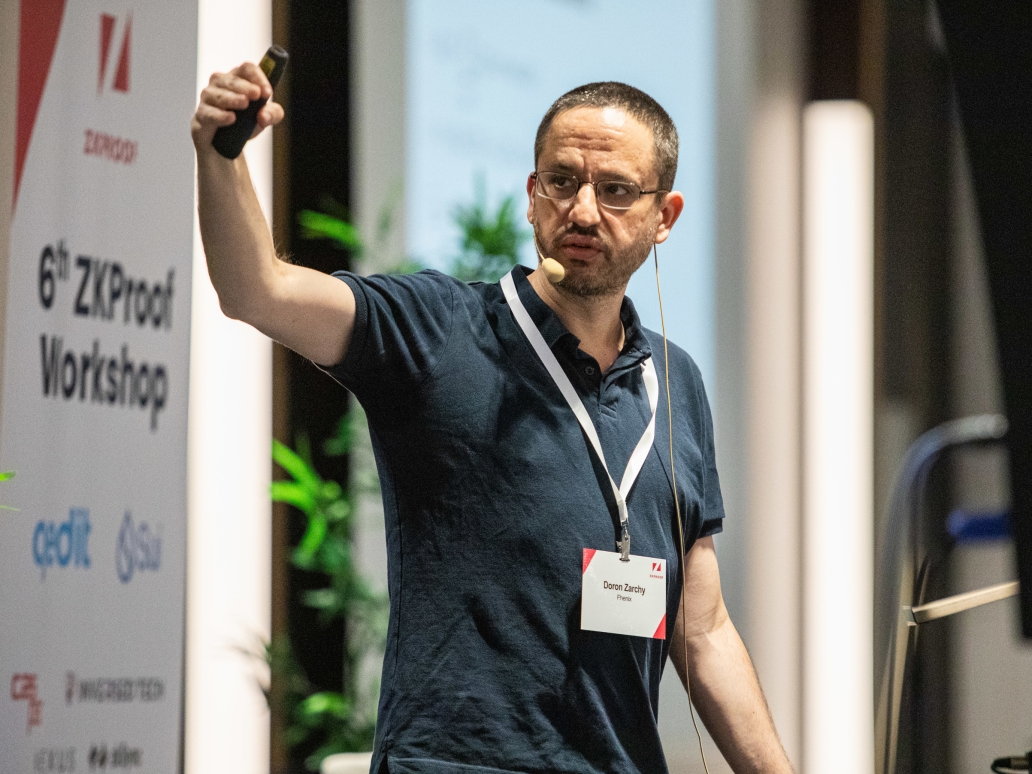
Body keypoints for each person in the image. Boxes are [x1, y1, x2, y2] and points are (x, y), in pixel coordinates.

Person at [192, 61, 794, 774]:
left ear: (664, 217)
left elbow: (703, 629)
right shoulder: (438, 329)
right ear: (532, 197)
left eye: (615, 190)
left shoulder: (674, 381)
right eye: (562, 182)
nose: (583, 211)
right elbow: (257, 289)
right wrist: (220, 155)